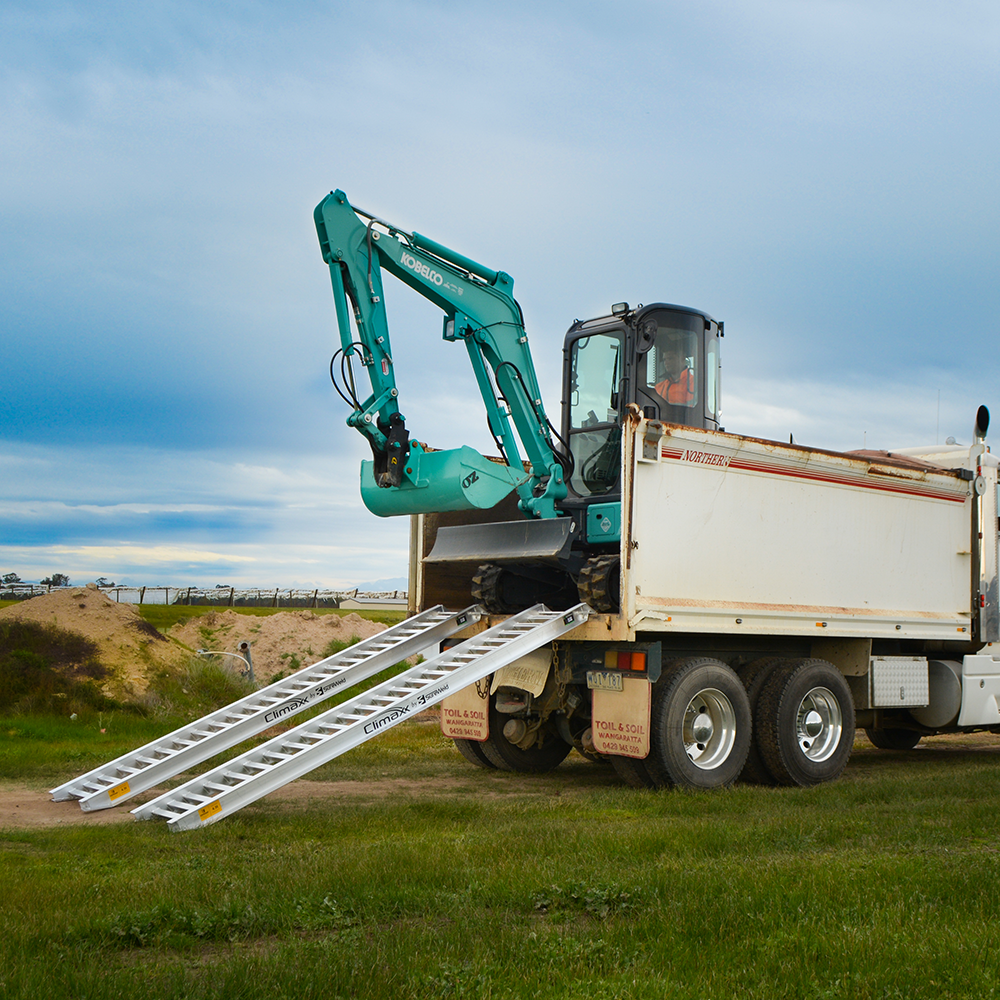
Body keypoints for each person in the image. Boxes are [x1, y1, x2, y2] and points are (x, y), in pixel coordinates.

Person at [654, 338, 695, 405]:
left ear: (682, 359)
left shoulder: (693, 383)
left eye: (670, 358)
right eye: (664, 359)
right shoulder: (659, 387)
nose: (666, 362)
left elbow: (691, 409)